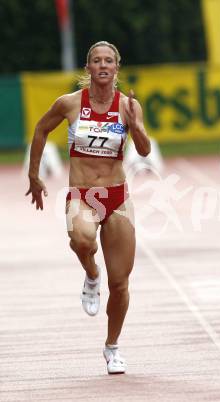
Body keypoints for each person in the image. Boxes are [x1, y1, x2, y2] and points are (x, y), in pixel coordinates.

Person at [26, 41, 150, 373]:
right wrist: (34, 175)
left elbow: (145, 149)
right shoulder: (68, 104)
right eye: (97, 60)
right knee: (82, 240)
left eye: (109, 60)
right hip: (83, 195)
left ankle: (112, 347)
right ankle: (91, 274)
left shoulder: (128, 106)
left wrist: (135, 126)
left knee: (121, 283)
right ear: (88, 68)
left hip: (117, 197)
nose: (103, 65)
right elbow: (40, 130)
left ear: (117, 68)